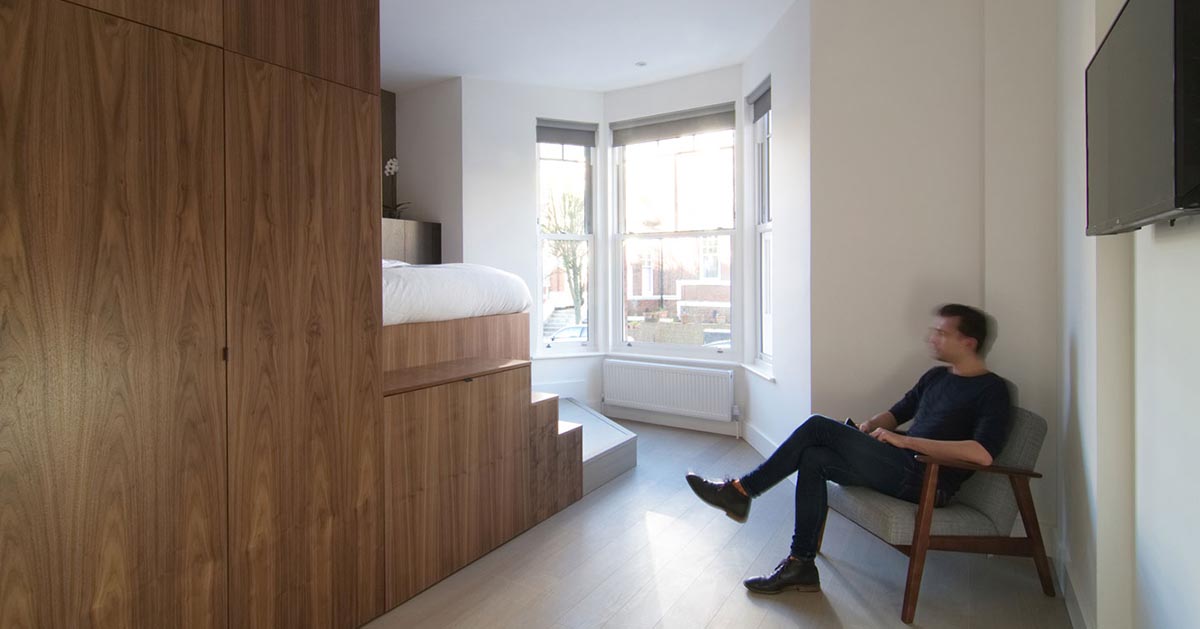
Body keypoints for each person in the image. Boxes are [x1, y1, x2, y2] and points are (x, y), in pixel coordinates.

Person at [686, 304, 1012, 594]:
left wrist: (905, 440)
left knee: (817, 426)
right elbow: (898, 412)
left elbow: (981, 453)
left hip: (928, 479)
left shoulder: (992, 390)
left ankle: (742, 491)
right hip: (900, 463)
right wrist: (869, 427)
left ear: (968, 343)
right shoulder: (937, 377)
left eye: (942, 333)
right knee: (813, 458)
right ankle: (801, 564)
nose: (932, 338)